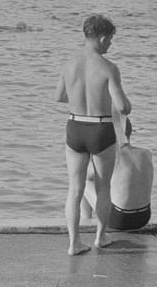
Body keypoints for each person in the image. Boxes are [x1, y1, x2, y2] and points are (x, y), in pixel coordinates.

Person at [54, 14, 132, 256]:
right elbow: (122, 107)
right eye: (110, 40)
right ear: (102, 37)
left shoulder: (69, 64)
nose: (110, 45)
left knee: (74, 189)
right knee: (103, 188)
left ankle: (74, 243)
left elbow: (60, 97)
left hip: (75, 126)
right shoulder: (109, 68)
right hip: (100, 129)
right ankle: (100, 237)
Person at [81, 117, 154, 231]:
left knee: (82, 182)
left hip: (120, 219)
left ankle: (85, 222)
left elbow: (85, 175)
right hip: (144, 217)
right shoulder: (146, 153)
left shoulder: (113, 156)